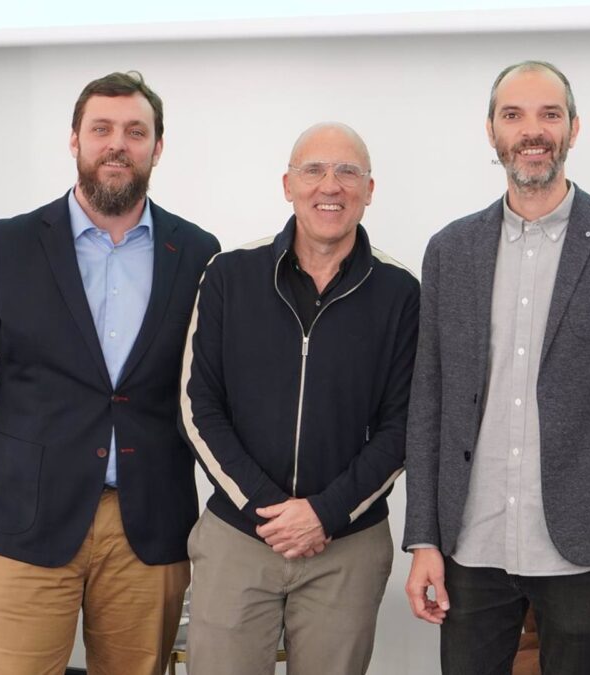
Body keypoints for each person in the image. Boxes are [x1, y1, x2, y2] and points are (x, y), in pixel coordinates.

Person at [0, 71, 220, 674]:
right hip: (24, 519)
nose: (118, 144)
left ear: (157, 148)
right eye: (101, 129)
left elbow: (211, 391)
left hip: (150, 525)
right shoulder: (10, 244)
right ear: (75, 140)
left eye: (135, 132)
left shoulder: (197, 252)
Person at [402, 60, 590, 675]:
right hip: (470, 543)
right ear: (492, 131)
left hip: (586, 549)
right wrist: (423, 538)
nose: (533, 130)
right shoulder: (450, 251)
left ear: (574, 128)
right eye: (514, 115)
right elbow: (428, 402)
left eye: (550, 114)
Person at [179, 122, 419, 675]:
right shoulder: (229, 274)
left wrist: (324, 514)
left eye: (347, 172)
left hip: (347, 546)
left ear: (368, 190)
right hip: (239, 535)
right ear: (288, 185)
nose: (329, 186)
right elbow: (198, 405)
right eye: (313, 170)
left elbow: (405, 425)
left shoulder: (401, 292)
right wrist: (270, 511)